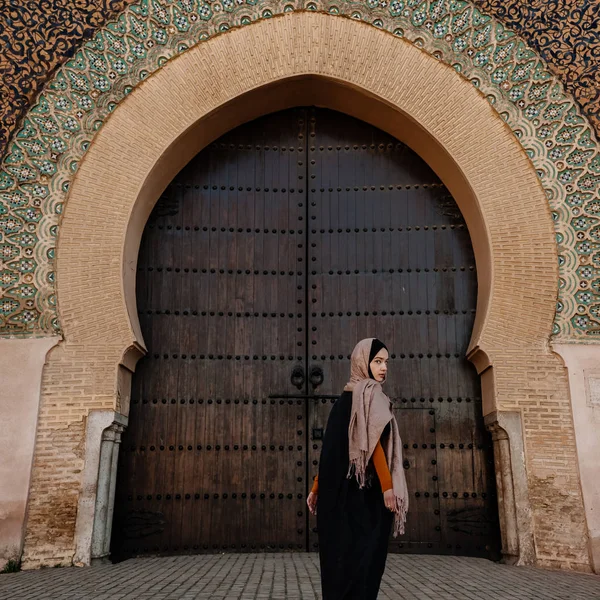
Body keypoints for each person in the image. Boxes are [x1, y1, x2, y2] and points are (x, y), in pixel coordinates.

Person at [306, 338, 409, 600]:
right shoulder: (370, 394)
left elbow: (330, 451)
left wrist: (317, 487)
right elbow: (370, 444)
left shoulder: (342, 401)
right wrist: (388, 487)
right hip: (363, 497)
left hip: (336, 496)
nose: (384, 367)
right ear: (363, 362)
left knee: (339, 560)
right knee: (365, 560)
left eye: (386, 362)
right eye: (377, 361)